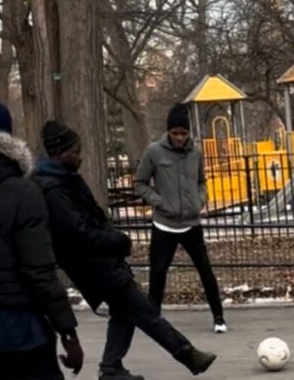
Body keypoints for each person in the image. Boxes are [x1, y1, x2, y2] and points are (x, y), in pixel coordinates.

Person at [31, 121, 217, 379]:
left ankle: (111, 367)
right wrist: (116, 240)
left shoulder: (63, 179)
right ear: (60, 152)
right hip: (93, 263)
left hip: (99, 260)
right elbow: (80, 232)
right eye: (75, 151)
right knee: (142, 310)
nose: (79, 156)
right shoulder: (55, 189)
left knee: (123, 312)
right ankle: (187, 353)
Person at [0, 97, 83, 379]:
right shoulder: (23, 192)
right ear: (5, 135)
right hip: (22, 328)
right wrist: (67, 330)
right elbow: (39, 269)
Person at [134, 104, 227, 333]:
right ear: (168, 132)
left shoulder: (196, 153)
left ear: (188, 133)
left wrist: (200, 200)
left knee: (205, 270)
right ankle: (153, 320)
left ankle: (219, 317)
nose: (179, 137)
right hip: (164, 223)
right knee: (158, 272)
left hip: (191, 223)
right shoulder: (154, 152)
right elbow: (140, 183)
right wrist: (158, 202)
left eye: (183, 133)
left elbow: (202, 181)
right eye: (175, 133)